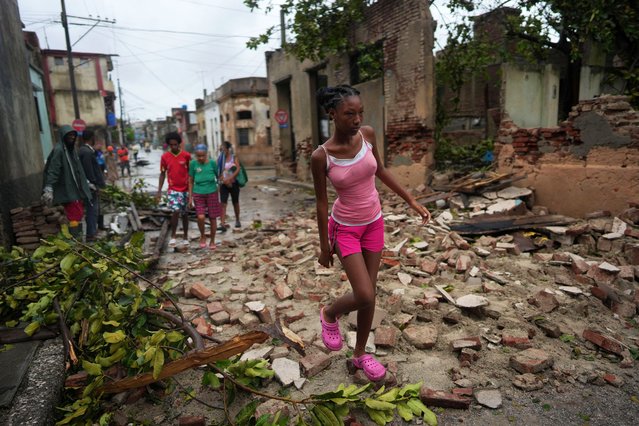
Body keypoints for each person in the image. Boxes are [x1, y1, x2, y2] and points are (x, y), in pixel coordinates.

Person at [311, 85, 431, 382]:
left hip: (374, 222)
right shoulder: (321, 156)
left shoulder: (368, 135)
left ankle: (360, 354)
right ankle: (329, 313)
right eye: (349, 113)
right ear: (332, 115)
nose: (357, 118)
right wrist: (325, 247)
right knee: (363, 292)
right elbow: (321, 202)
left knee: (370, 293)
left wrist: (411, 199)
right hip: (345, 229)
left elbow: (381, 170)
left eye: (360, 112)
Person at [42, 125, 93, 239]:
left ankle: (77, 239)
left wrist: (86, 183)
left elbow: (77, 170)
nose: (71, 137)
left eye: (73, 135)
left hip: (75, 190)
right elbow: (53, 169)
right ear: (62, 136)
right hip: (67, 190)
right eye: (69, 135)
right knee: (74, 215)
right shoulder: (59, 150)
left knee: (78, 214)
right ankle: (76, 240)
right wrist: (49, 187)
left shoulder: (71, 150)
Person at [156, 132, 191, 248]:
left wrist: (192, 192)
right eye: (172, 145)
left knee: (185, 213)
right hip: (173, 189)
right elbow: (162, 174)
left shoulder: (186, 156)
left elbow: (191, 174)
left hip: (185, 189)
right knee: (175, 211)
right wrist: (159, 191)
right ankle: (173, 236)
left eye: (176, 144)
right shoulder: (164, 157)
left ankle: (186, 237)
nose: (174, 147)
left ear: (179, 144)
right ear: (169, 145)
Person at [188, 144, 220, 250]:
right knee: (201, 217)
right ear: (196, 155)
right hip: (198, 193)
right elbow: (191, 181)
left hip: (212, 193)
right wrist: (190, 198)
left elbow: (218, 177)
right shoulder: (193, 164)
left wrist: (218, 189)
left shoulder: (212, 163)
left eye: (203, 156)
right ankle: (202, 236)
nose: (201, 158)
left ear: (206, 154)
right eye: (198, 156)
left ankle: (212, 240)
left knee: (212, 218)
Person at [78, 129, 106, 241]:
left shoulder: (84, 150)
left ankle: (92, 232)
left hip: (88, 185)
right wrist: (93, 184)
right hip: (90, 187)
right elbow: (88, 170)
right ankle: (91, 234)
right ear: (92, 138)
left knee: (93, 209)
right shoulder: (87, 152)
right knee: (92, 210)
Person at [216, 141, 241, 231]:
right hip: (223, 184)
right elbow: (217, 171)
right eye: (221, 149)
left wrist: (230, 178)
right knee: (223, 203)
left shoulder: (234, 158)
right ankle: (222, 223)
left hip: (234, 183)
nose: (222, 151)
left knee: (235, 202)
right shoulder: (219, 159)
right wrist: (223, 180)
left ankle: (237, 219)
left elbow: (238, 169)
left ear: (227, 149)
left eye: (223, 149)